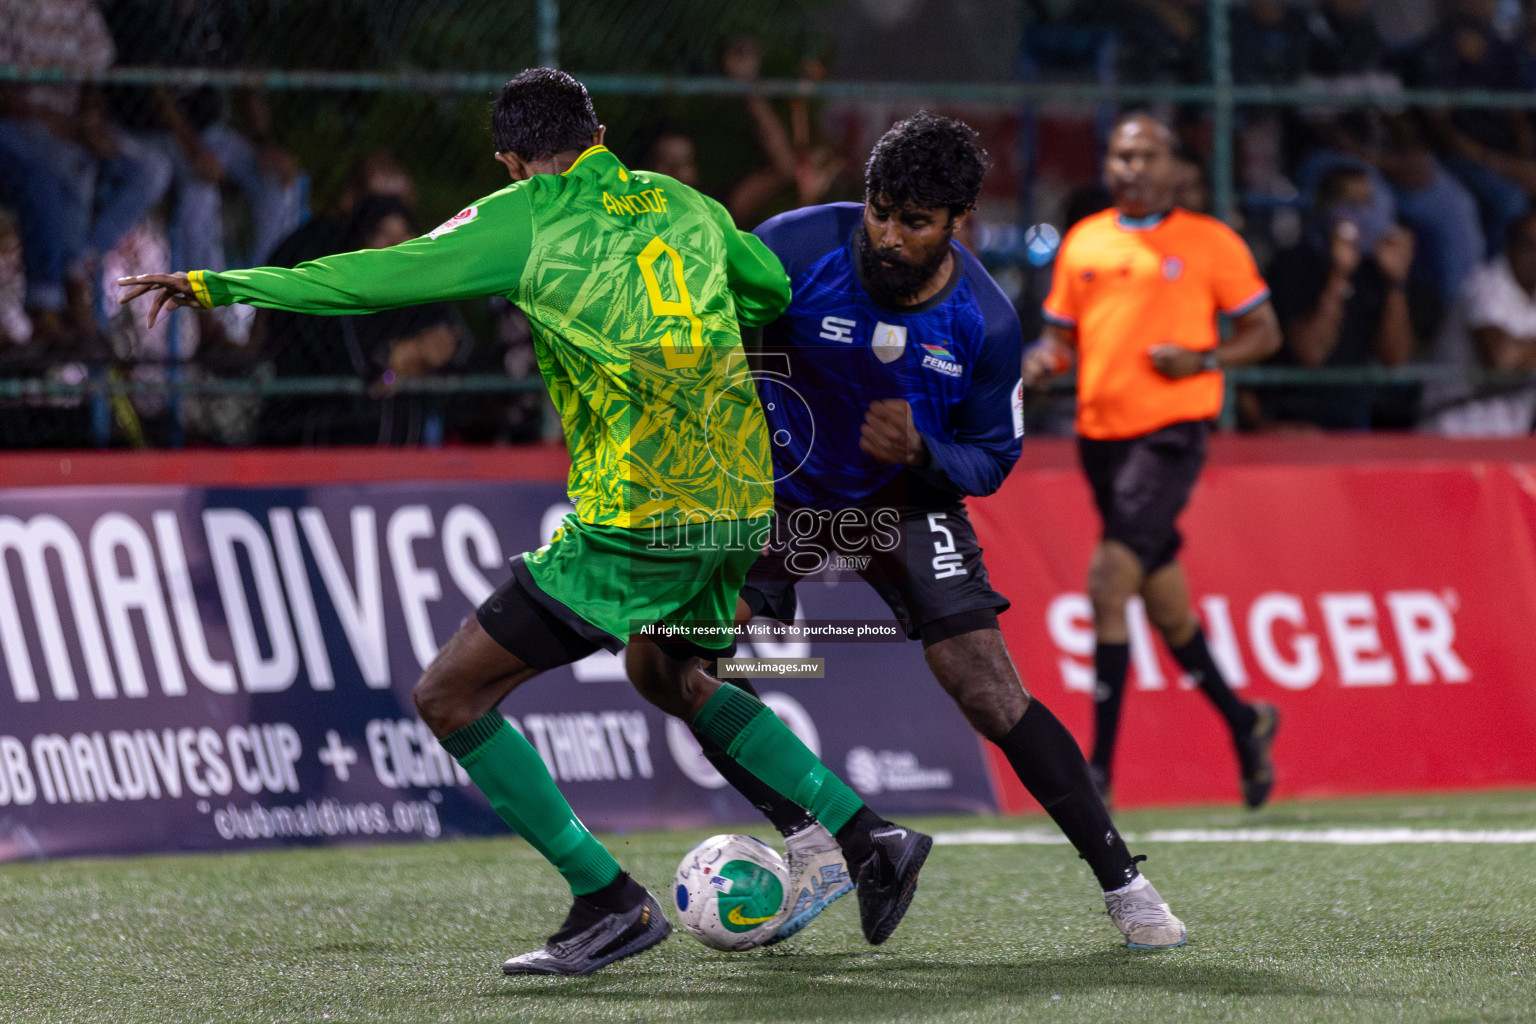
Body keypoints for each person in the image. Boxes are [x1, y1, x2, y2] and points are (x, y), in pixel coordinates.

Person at [120, 68, 929, 977]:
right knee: (667, 673)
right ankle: (870, 837)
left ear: (512, 162)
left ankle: (607, 898)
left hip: (643, 517)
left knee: (450, 695)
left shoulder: (529, 213)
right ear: (600, 131)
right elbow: (771, 284)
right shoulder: (684, 202)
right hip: (740, 503)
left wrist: (218, 284)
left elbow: (377, 279)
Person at [661, 112, 1188, 951]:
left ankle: (1128, 888)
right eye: (880, 210)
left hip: (902, 502)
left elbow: (993, 458)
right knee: (679, 656)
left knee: (986, 686)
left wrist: (923, 451)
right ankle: (814, 840)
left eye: (915, 222)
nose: (889, 235)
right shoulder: (795, 247)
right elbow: (705, 331)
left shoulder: (985, 321)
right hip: (776, 491)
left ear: (956, 225)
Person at [1023, 112, 1284, 809]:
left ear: (1173, 166)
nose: (1131, 166)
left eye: (1146, 155)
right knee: (1166, 605)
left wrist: (1202, 358)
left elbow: (1264, 332)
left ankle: (1096, 773)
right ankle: (1245, 720)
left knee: (1109, 581)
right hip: (1099, 437)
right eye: (1120, 154)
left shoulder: (1210, 242)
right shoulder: (1085, 239)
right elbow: (1059, 336)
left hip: (1169, 435)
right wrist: (1044, 361)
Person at [1264, 165, 1416, 430]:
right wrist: (1338, 275)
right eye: (1347, 201)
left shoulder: (1374, 270)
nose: (1358, 213)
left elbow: (1394, 358)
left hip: (1355, 417)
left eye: (1365, 202)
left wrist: (1396, 283)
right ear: (1324, 205)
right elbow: (1310, 354)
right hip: (1296, 419)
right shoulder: (1292, 263)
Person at [1420, 210, 1536, 435]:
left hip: (1504, 441)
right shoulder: (1486, 285)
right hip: (1452, 435)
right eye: (1529, 245)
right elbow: (1502, 360)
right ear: (1508, 246)